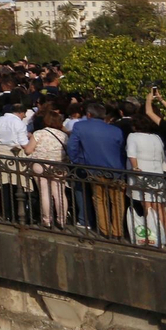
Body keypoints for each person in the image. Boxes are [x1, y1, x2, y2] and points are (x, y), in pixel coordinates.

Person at [69, 102, 127, 238]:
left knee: (99, 199)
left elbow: (72, 147)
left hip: (94, 169)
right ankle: (117, 231)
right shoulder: (115, 130)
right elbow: (121, 150)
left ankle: (105, 230)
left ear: (89, 114)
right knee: (117, 201)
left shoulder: (80, 126)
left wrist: (79, 161)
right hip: (116, 170)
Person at [126, 116, 166, 247]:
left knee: (147, 205)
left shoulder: (132, 136)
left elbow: (131, 154)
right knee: (159, 206)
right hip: (157, 173)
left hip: (141, 174)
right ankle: (164, 236)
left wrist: (135, 168)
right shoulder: (156, 137)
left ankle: (155, 236)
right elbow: (162, 155)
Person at [26, 105, 70, 229]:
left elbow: (28, 151)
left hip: (40, 165)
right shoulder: (63, 135)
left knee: (44, 192)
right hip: (59, 165)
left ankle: (47, 220)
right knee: (59, 193)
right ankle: (62, 220)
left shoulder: (39, 133)